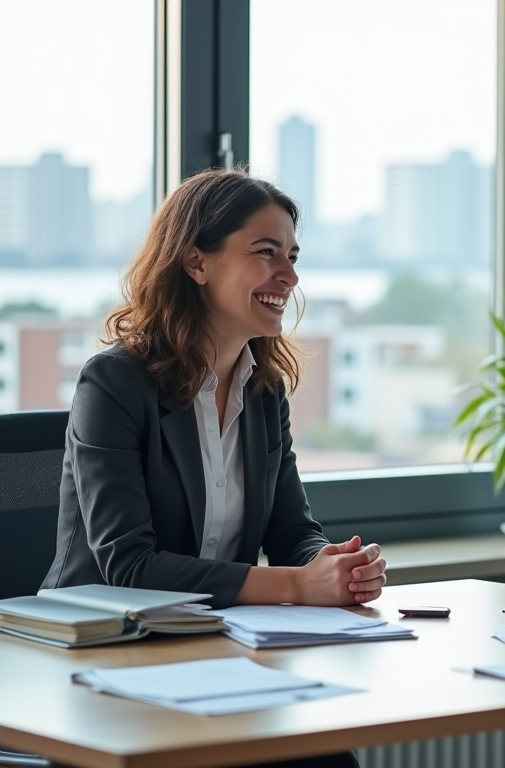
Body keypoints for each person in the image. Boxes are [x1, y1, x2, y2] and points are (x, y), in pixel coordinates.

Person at [42, 168, 383, 768]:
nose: (290, 276)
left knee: (327, 759)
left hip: (212, 655)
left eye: (293, 256)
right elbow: (128, 565)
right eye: (265, 252)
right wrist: (298, 587)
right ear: (196, 264)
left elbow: (289, 529)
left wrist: (332, 566)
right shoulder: (114, 383)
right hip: (102, 656)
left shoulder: (263, 391)